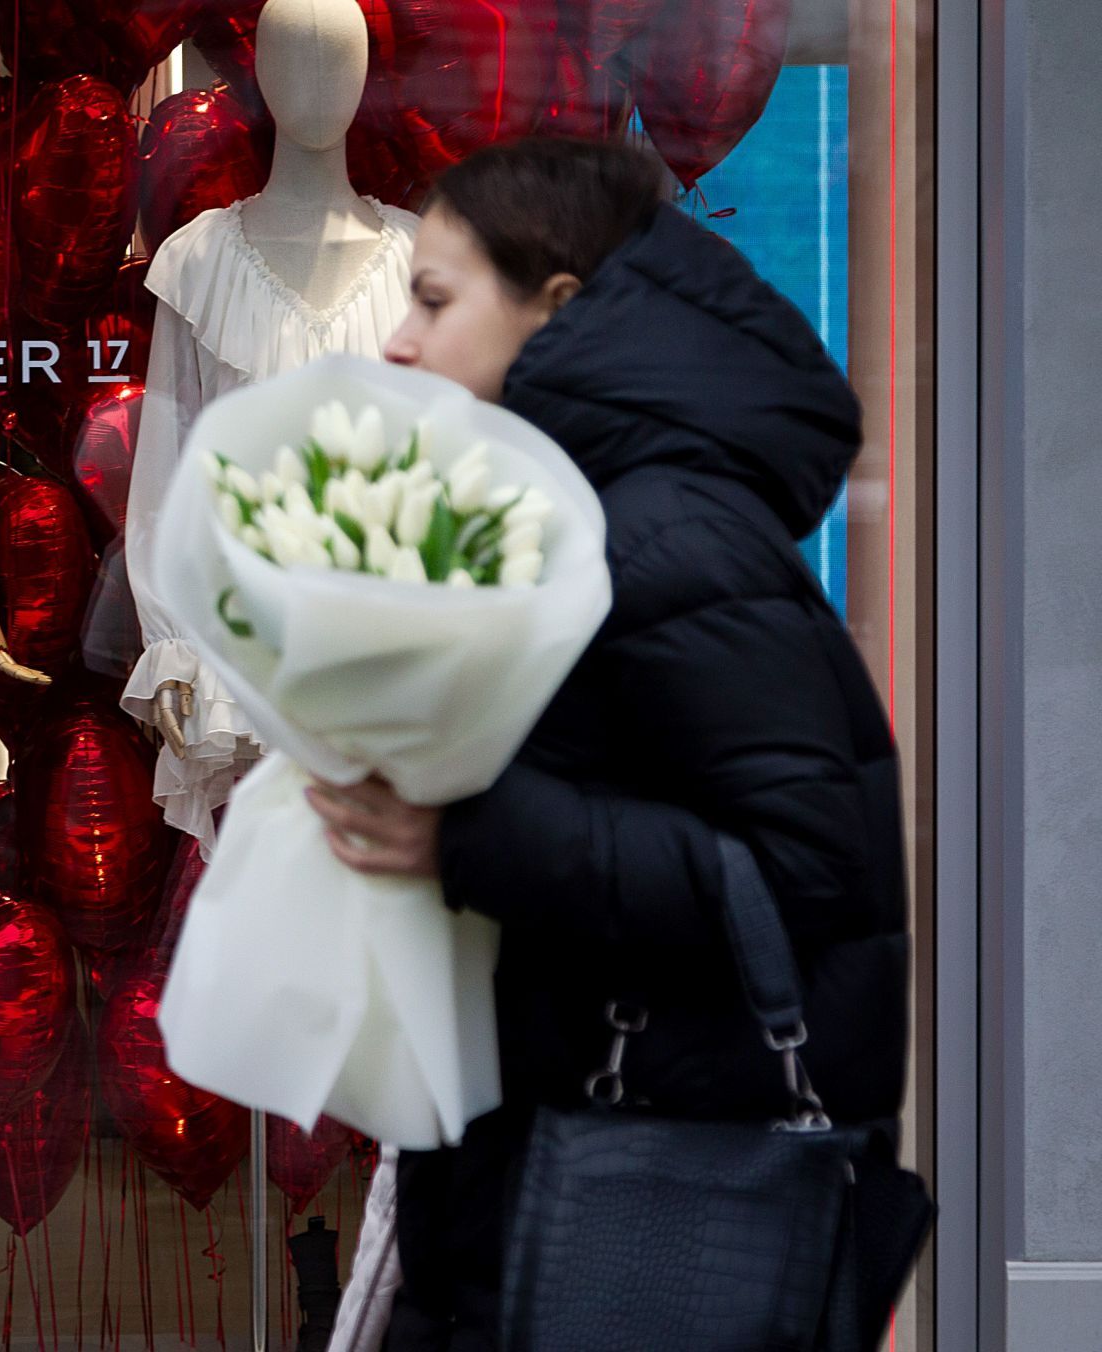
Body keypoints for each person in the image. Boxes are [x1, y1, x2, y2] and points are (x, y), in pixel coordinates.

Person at [304, 138, 909, 1349]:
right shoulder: (585, 511)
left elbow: (809, 864)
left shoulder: (667, 531)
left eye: (433, 299)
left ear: (555, 309)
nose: (399, 343)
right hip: (563, 1178)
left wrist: (465, 834)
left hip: (639, 1210)